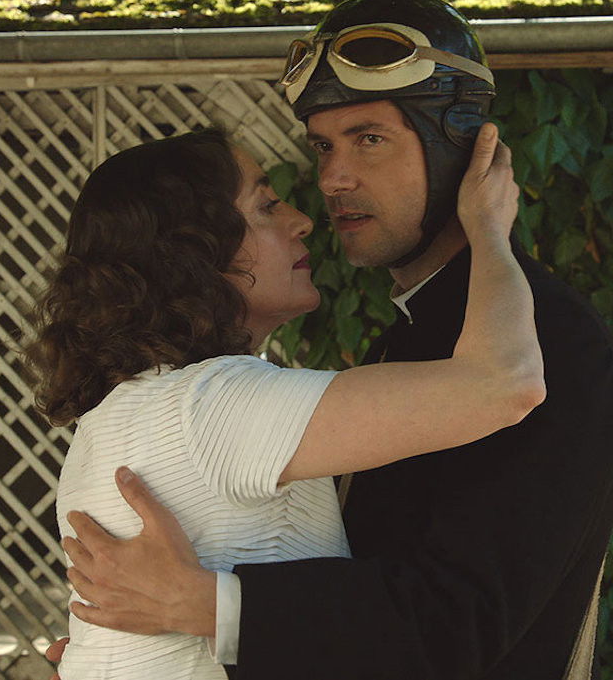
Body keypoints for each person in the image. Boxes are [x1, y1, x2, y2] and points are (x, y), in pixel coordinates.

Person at [52, 0, 613, 679]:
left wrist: (206, 608)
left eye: (369, 139)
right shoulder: (397, 343)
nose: (331, 179)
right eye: (324, 146)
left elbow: (460, 625)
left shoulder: (551, 341)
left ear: (455, 145)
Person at [26, 120, 541, 679]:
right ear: (192, 252)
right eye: (266, 206)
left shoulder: (122, 413)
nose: (301, 221)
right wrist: (489, 231)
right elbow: (504, 384)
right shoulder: (211, 403)